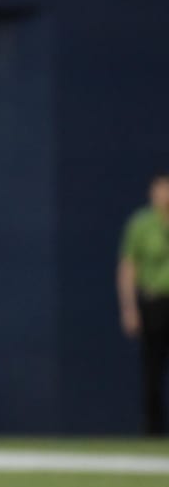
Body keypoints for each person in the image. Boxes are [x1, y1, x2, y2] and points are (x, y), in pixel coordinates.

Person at [117, 172, 169, 435]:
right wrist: (129, 307)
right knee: (152, 368)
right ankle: (153, 430)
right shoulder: (141, 224)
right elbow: (128, 266)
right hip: (154, 302)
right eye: (160, 189)